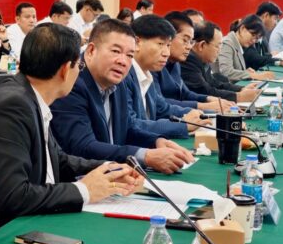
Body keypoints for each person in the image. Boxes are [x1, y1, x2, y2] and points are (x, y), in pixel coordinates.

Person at [0, 23, 141, 225]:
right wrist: (85, 190)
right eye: (79, 66)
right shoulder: (13, 105)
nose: (79, 72)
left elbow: (57, 160)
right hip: (15, 228)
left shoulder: (30, 97)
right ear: (65, 70)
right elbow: (13, 196)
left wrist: (108, 169)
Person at [50, 19, 194, 174]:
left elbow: (127, 128)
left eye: (130, 55)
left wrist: (156, 142)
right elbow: (82, 146)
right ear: (91, 50)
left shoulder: (118, 82)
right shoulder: (72, 82)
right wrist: (145, 156)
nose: (123, 61)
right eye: (116, 51)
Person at [127, 15, 202, 134]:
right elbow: (131, 125)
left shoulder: (146, 73)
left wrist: (200, 114)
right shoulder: (124, 75)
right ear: (137, 42)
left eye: (168, 45)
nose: (166, 53)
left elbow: (162, 108)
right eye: (160, 44)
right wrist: (182, 125)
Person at [156, 11, 222, 111]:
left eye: (191, 42)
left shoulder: (176, 63)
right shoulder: (153, 64)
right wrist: (202, 106)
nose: (189, 47)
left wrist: (208, 99)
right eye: (185, 40)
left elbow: (185, 93)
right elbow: (159, 103)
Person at [181, 21, 260, 103]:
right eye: (217, 46)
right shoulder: (188, 61)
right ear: (202, 45)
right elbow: (204, 91)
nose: (220, 50)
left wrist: (241, 89)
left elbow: (214, 83)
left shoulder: (202, 59)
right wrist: (239, 97)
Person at [218, 15, 276, 82]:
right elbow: (226, 73)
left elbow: (233, 70)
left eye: (256, 38)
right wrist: (254, 75)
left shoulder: (238, 44)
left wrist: (245, 72)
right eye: (253, 35)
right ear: (242, 28)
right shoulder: (227, 43)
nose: (253, 41)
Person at [243, 1, 282, 70]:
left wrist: (271, 55)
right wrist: (280, 62)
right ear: (266, 15)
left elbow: (261, 54)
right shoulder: (250, 28)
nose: (276, 23)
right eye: (275, 18)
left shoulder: (263, 36)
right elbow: (253, 56)